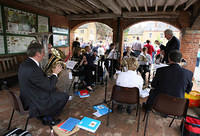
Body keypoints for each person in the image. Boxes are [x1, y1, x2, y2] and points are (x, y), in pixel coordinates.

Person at [18, 41, 70, 125]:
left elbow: (37, 80)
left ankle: (45, 113)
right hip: (33, 100)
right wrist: (55, 73)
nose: (44, 54)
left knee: (55, 91)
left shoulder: (25, 64)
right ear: (38, 54)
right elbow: (49, 86)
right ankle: (48, 117)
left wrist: (50, 76)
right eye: (43, 52)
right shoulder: (33, 68)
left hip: (28, 95)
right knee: (64, 96)